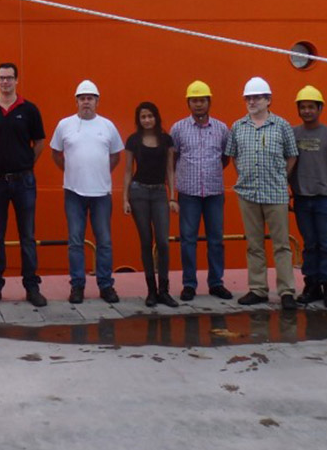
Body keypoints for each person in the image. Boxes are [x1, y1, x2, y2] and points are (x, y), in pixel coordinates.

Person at [0, 62, 47, 308]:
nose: (5, 82)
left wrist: (26, 163)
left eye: (9, 78)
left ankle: (32, 286)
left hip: (23, 181)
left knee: (27, 235)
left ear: (17, 80)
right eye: (1, 78)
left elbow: (39, 142)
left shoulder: (29, 110)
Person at [224, 76, 299, 309]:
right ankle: (258, 289)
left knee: (281, 244)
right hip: (248, 193)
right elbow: (233, 155)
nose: (252, 101)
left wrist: (280, 178)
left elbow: (292, 155)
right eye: (248, 97)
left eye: (256, 97)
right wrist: (246, 177)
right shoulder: (238, 126)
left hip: (275, 193)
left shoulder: (282, 125)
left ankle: (286, 291)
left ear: (268, 100)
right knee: (254, 244)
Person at [50, 80, 125, 304]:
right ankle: (77, 286)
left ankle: (105, 285)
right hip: (73, 192)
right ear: (76, 101)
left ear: (97, 102)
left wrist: (99, 173)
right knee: (75, 241)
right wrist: (72, 171)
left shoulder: (108, 126)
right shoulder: (65, 125)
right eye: (82, 98)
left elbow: (115, 156)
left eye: (90, 98)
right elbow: (56, 153)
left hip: (101, 193)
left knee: (104, 241)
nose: (86, 102)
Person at [169, 80, 232, 301]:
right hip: (188, 193)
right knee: (188, 240)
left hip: (214, 192)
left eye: (202, 100)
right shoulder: (178, 129)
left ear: (209, 102)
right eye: (194, 100)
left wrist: (210, 172)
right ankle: (189, 284)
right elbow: (174, 158)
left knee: (216, 239)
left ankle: (216, 283)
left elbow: (225, 158)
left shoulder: (222, 129)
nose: (198, 104)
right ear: (188, 103)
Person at [291, 85, 327, 309]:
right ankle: (311, 286)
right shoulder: (293, 134)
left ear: (320, 108)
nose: (307, 111)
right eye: (303, 107)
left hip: (326, 198)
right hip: (302, 198)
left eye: (311, 107)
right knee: (309, 244)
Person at [122, 101, 178, 308]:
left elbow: (170, 170)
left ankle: (164, 290)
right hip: (138, 192)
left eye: (150, 116)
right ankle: (151, 291)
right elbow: (128, 170)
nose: (147, 120)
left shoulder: (166, 140)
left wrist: (172, 197)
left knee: (162, 242)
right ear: (139, 120)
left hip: (159, 193)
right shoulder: (133, 141)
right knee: (146, 241)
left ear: (156, 117)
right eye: (143, 117)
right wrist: (125, 199)